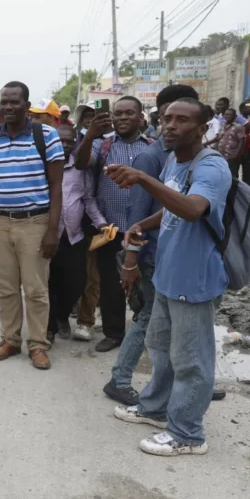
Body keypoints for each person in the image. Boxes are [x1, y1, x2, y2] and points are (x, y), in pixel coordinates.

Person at [106, 97, 231, 456]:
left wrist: (143, 177)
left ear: (203, 128)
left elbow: (193, 209)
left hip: (194, 279)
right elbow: (172, 203)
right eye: (165, 119)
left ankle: (188, 434)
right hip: (168, 273)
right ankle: (157, 408)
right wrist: (143, 223)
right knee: (160, 347)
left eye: (181, 120)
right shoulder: (177, 161)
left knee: (191, 359)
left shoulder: (212, 167)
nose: (170, 126)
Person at [102, 84, 196, 406]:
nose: (175, 125)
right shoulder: (151, 157)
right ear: (161, 115)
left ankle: (188, 382)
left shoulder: (184, 156)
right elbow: (137, 213)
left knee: (175, 323)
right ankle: (120, 379)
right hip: (153, 255)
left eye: (185, 117)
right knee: (149, 319)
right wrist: (131, 261)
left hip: (175, 254)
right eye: (172, 117)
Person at [0, 81, 64, 371]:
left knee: (36, 289)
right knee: (7, 288)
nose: (8, 107)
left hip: (34, 222)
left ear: (26, 105)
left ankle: (38, 345)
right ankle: (10, 340)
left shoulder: (46, 135)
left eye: (14, 102)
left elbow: (57, 185)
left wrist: (52, 230)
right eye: (5, 102)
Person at [74, 96, 151, 353]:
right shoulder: (102, 145)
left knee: (146, 283)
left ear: (141, 117)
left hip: (144, 229)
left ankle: (148, 333)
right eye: (118, 114)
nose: (123, 118)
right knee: (110, 285)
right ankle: (114, 333)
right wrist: (90, 136)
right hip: (110, 228)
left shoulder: (153, 148)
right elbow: (81, 162)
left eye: (130, 113)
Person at [47, 124, 106, 343]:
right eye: (60, 141)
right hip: (49, 236)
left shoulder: (81, 168)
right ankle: (49, 328)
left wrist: (100, 222)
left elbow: (88, 200)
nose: (64, 145)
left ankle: (62, 316)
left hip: (74, 236)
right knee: (49, 283)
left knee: (76, 283)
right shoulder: (44, 165)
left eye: (69, 142)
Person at [218, 107, 247, 180]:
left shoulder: (239, 126)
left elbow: (242, 141)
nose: (227, 116)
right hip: (221, 155)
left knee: (232, 176)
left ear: (235, 117)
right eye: (226, 114)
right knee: (222, 174)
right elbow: (218, 138)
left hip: (232, 155)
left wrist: (237, 153)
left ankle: (233, 191)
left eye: (230, 115)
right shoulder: (222, 125)